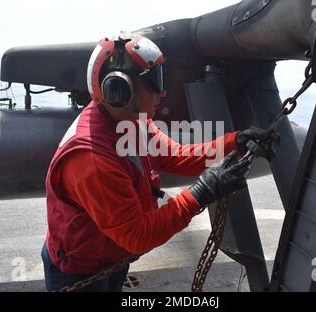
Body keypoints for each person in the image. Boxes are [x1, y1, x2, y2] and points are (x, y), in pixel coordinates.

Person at [41, 32, 275, 292]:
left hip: (110, 256)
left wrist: (234, 143)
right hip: (80, 270)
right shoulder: (92, 160)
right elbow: (136, 237)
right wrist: (201, 193)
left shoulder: (132, 120)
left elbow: (175, 155)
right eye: (154, 82)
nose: (162, 93)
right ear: (121, 90)